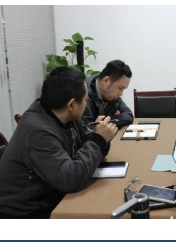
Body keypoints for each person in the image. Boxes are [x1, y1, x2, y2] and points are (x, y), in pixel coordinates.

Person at [0, 67, 117, 218]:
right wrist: (98, 139)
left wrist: (99, 137)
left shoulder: (64, 115)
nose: (86, 102)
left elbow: (84, 144)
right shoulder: (38, 132)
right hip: (24, 212)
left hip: (51, 195)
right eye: (85, 99)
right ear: (71, 105)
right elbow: (70, 179)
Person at [82, 60, 134, 128]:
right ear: (106, 81)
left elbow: (128, 115)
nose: (121, 94)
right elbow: (87, 128)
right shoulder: (84, 93)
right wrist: (112, 119)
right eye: (120, 88)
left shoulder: (111, 95)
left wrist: (107, 120)